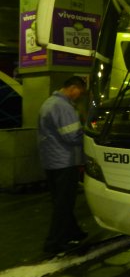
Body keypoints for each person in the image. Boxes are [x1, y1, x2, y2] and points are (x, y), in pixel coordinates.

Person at [38, 75, 88, 254]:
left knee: (61, 201)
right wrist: (89, 134)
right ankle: (54, 243)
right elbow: (73, 136)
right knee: (64, 204)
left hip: (51, 161)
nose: (78, 96)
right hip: (65, 162)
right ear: (73, 88)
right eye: (79, 93)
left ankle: (74, 232)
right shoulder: (63, 107)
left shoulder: (49, 103)